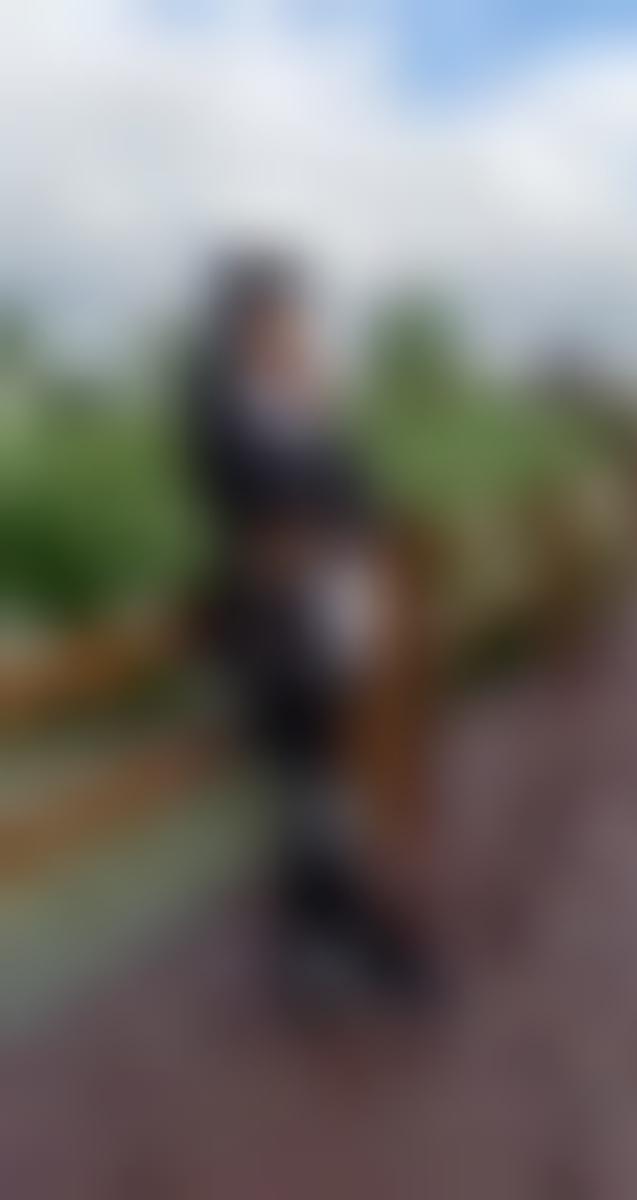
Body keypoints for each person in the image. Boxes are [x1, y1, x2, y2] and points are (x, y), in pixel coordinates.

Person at [186, 252, 435, 1011]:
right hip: (276, 642)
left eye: (297, 320)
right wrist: (322, 534)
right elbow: (264, 534)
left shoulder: (301, 412)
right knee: (305, 797)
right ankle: (317, 954)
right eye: (283, 320)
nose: (298, 334)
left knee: (325, 794)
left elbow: (360, 503)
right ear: (245, 329)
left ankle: (336, 940)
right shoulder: (223, 416)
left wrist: (324, 422)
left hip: (326, 625)